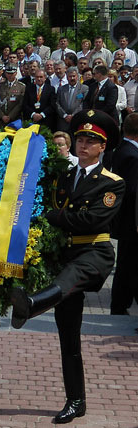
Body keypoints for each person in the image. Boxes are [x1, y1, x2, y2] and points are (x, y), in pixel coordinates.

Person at [10, 109, 124, 424]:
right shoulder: (62, 175)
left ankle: (31, 305)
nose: (83, 144)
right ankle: (76, 401)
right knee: (68, 334)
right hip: (65, 254)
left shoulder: (112, 183)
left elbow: (91, 220)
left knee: (69, 277)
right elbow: (42, 204)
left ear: (103, 147)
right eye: (80, 139)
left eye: (92, 141)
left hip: (94, 252)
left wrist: (54, 218)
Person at [110, 114, 138, 314]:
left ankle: (120, 304)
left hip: (126, 219)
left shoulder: (122, 150)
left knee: (126, 264)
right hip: (132, 220)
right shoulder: (132, 155)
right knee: (129, 266)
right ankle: (120, 305)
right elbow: (132, 190)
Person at [56, 67, 89, 133]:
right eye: (70, 76)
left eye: (74, 76)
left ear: (77, 76)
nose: (72, 78)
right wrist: (64, 115)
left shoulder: (84, 88)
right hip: (63, 122)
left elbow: (83, 104)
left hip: (77, 121)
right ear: (67, 77)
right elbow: (57, 104)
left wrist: (73, 115)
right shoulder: (61, 89)